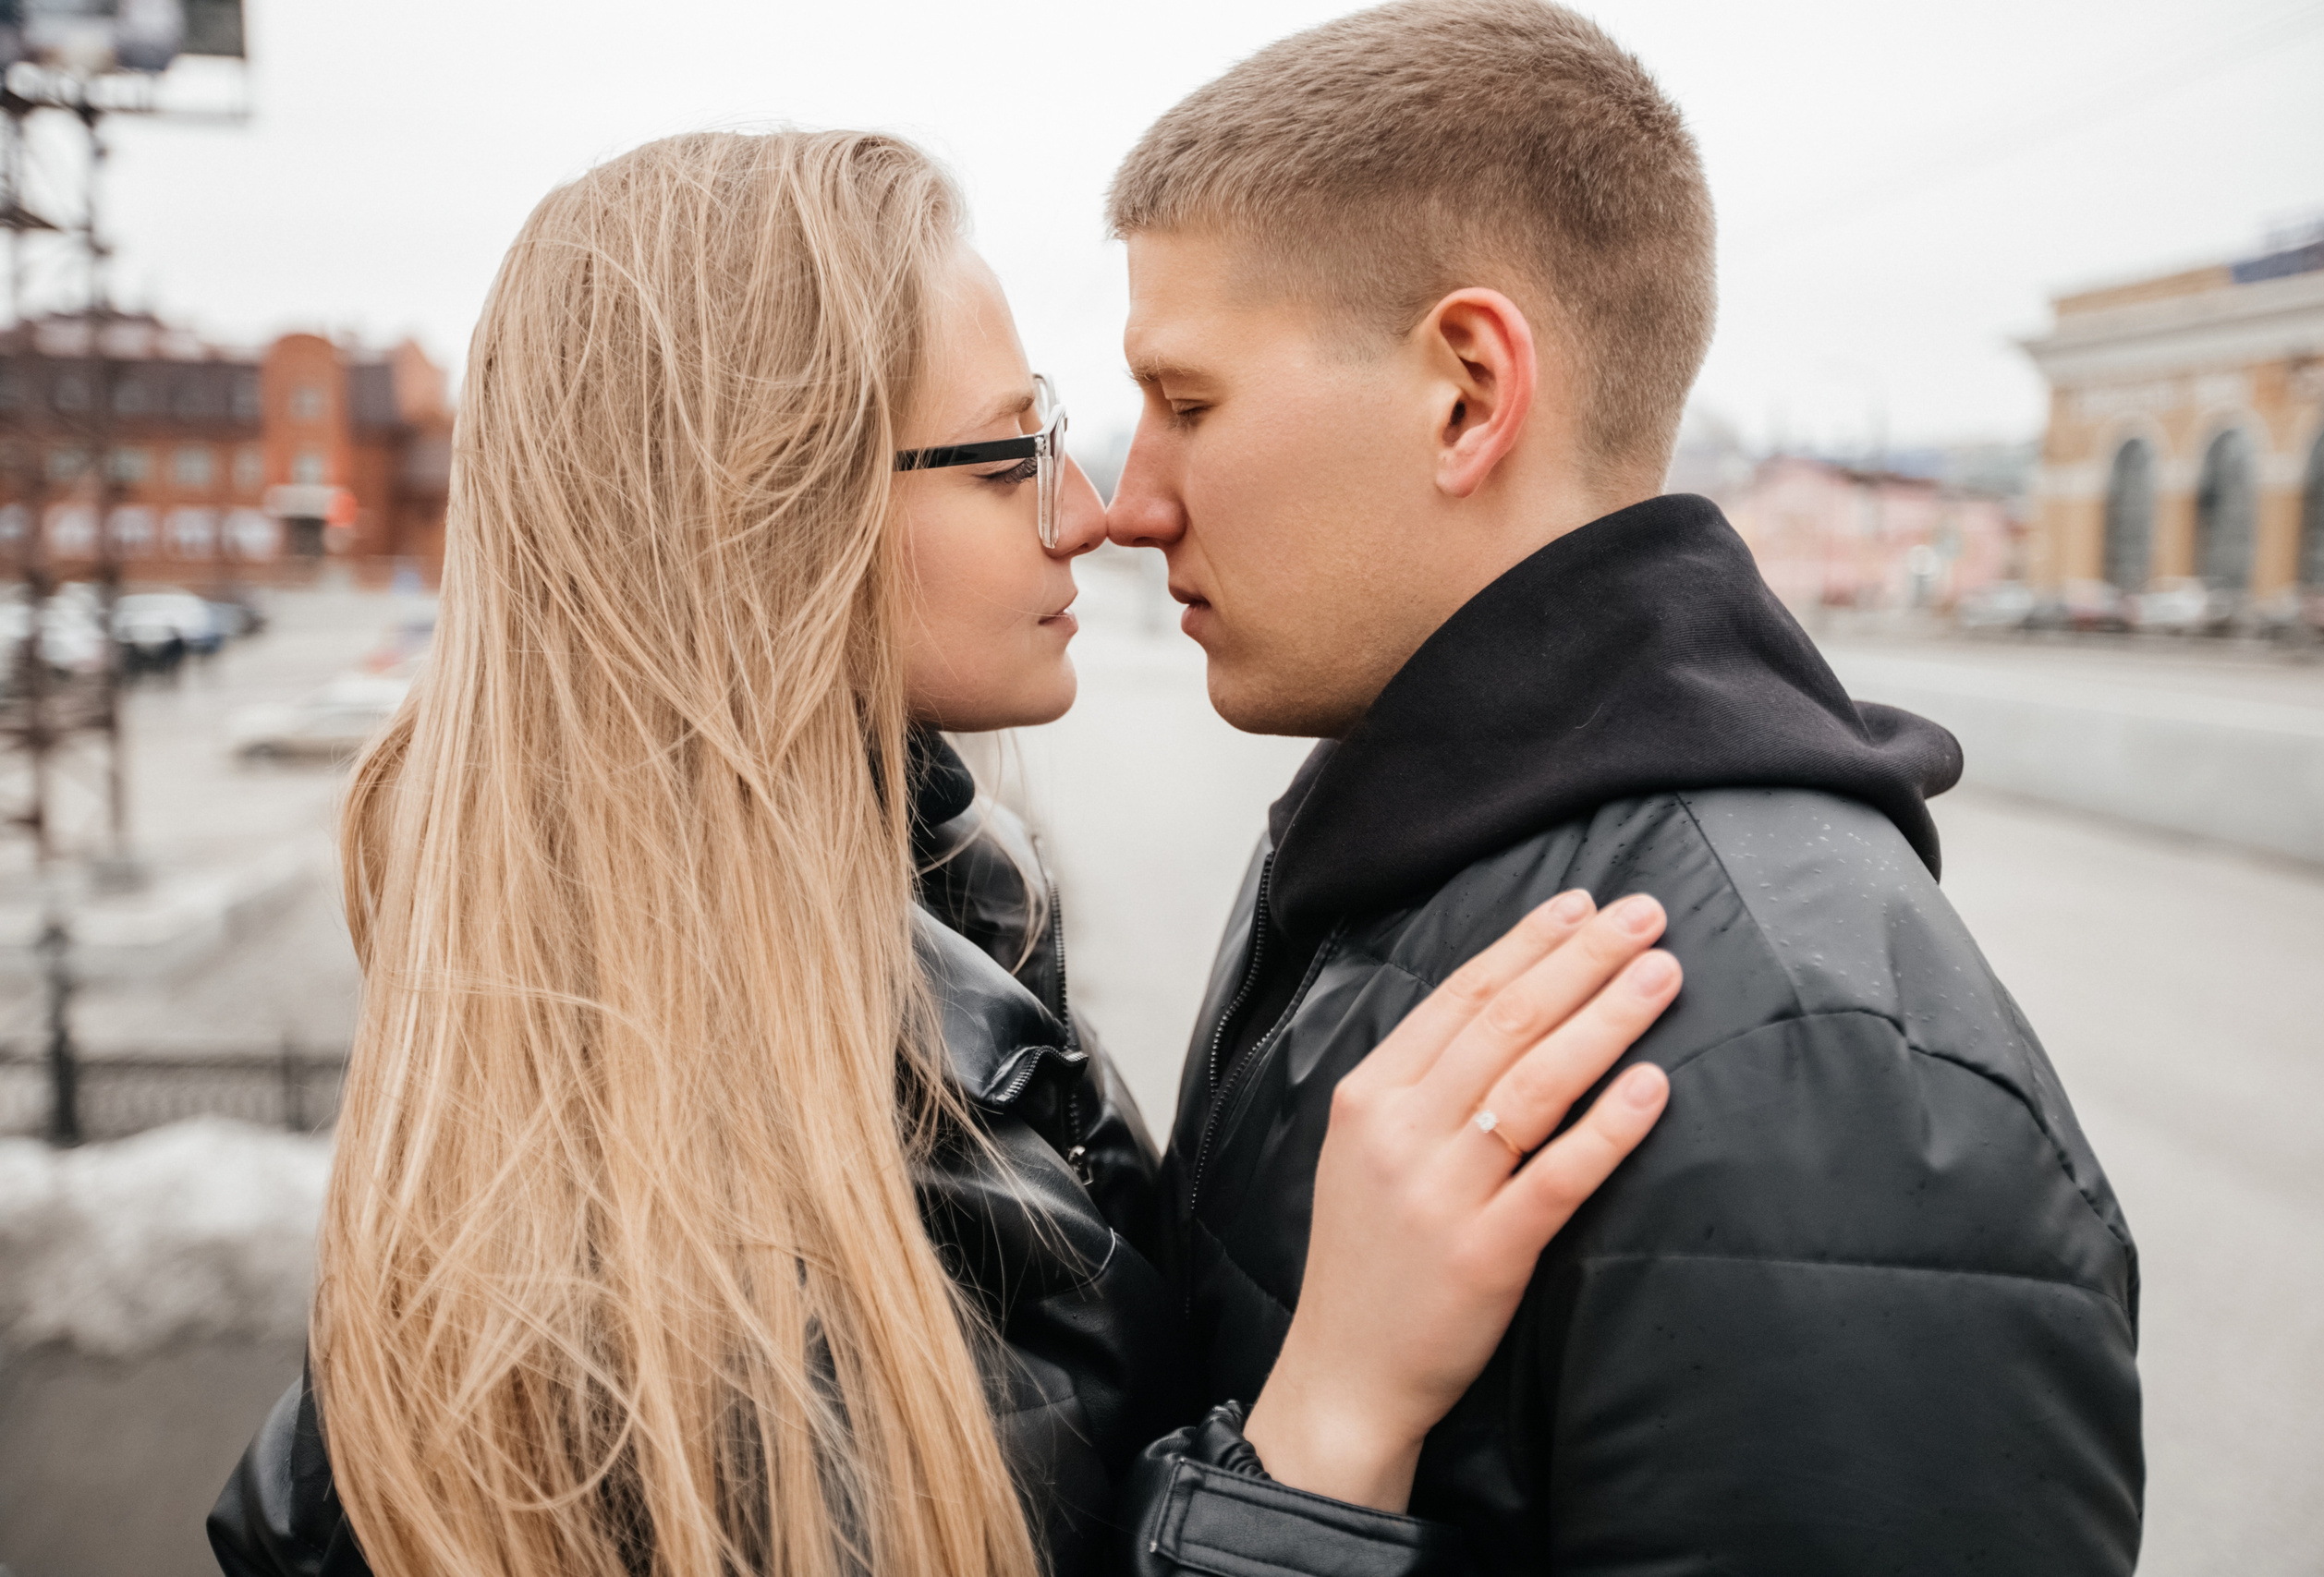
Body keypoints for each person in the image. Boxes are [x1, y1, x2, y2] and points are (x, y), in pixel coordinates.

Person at [206, 128, 1684, 1577]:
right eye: (1007, 460)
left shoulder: (902, 950)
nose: (1096, 514)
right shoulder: (656, 1326)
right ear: (768, 518)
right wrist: (1334, 1419)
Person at [1103, 3, 2145, 1572]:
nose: (1131, 502)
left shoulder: (1819, 1081)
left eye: (1188, 404)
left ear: (1466, 390)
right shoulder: (1396, 852)